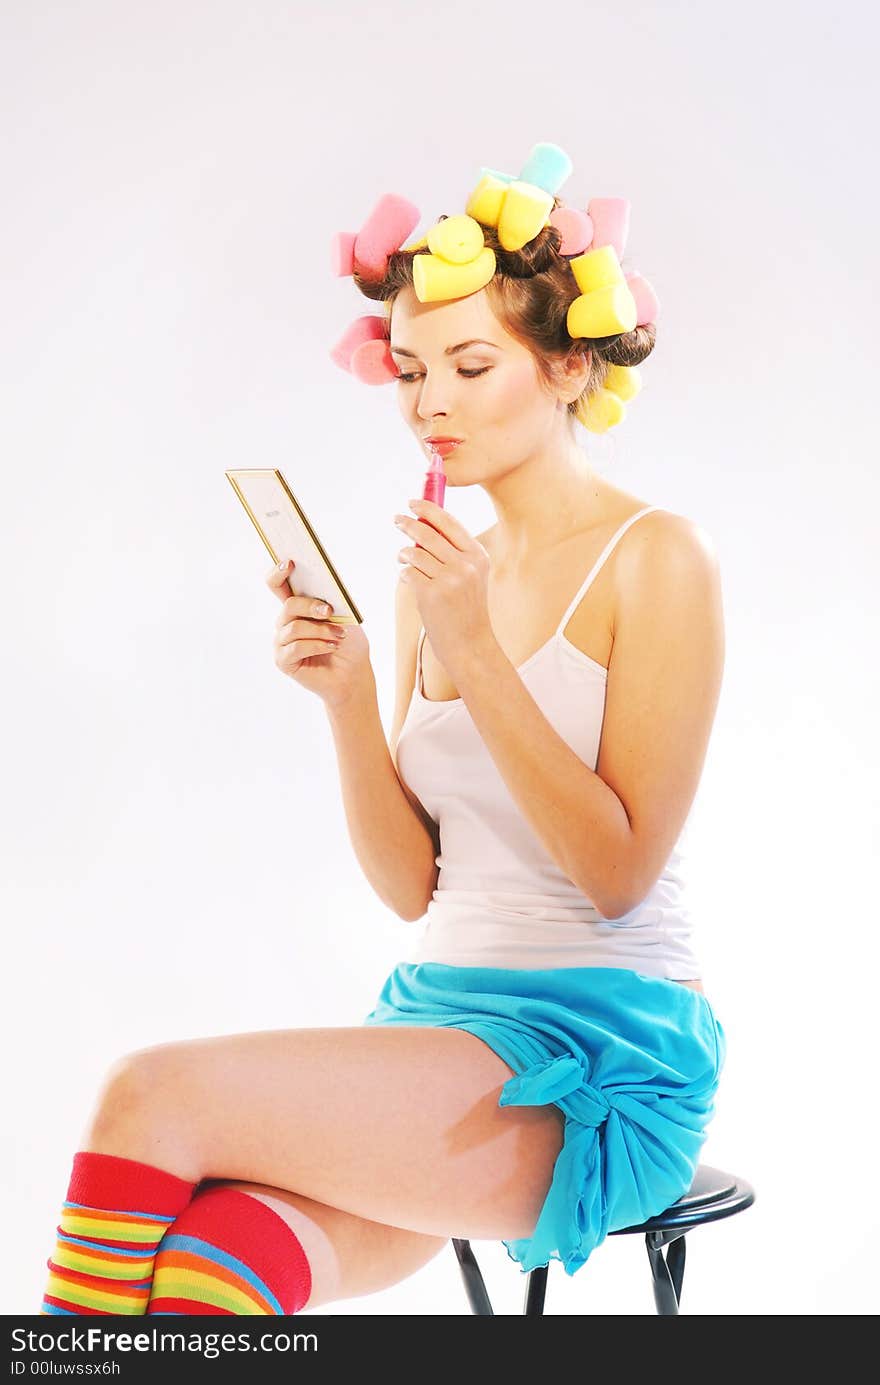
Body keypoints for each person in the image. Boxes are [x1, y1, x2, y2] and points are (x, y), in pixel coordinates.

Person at [40, 144, 726, 1317]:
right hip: (430, 1023)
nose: (430, 402)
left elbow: (616, 873)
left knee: (146, 1094)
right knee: (212, 1262)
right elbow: (413, 888)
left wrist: (474, 654)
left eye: (469, 363)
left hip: (596, 1056)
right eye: (409, 370)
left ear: (567, 368)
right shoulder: (434, 574)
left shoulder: (654, 558)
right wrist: (352, 697)